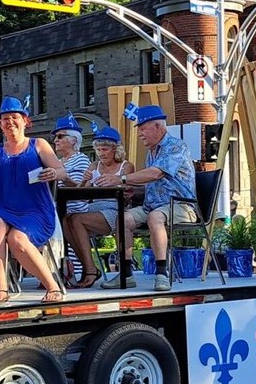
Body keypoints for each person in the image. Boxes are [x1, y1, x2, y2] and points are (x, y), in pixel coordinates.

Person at [0, 87, 67, 304]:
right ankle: (2, 288)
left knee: (17, 239)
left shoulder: (38, 144)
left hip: (34, 210)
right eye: (4, 118)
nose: (9, 121)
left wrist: (53, 173)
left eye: (14, 117)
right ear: (0, 124)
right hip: (3, 206)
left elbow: (63, 172)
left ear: (25, 121)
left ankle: (52, 286)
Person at [95, 105, 197, 292]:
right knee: (122, 218)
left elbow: (156, 174)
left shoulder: (176, 146)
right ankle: (125, 274)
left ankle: (161, 274)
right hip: (153, 205)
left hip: (181, 206)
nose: (140, 134)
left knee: (155, 217)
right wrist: (135, 191)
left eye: (143, 129)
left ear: (158, 126)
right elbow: (153, 184)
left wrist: (121, 179)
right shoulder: (152, 151)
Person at [61, 126, 135, 288]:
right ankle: (89, 267)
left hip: (115, 209)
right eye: (98, 149)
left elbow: (127, 192)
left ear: (115, 149)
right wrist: (84, 181)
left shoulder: (126, 166)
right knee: (66, 220)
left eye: (105, 149)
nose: (101, 153)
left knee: (76, 219)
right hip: (93, 208)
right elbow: (81, 194)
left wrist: (112, 182)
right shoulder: (94, 166)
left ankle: (90, 271)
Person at [51, 113, 91, 283]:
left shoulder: (81, 159)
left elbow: (79, 187)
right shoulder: (58, 161)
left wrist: (61, 177)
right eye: (54, 137)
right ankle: (52, 270)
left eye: (60, 136)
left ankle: (69, 271)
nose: (55, 140)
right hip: (57, 206)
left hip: (73, 206)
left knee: (52, 222)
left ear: (74, 140)